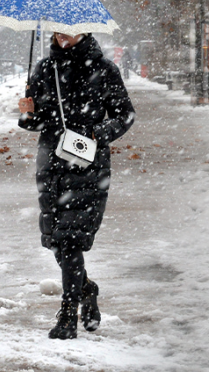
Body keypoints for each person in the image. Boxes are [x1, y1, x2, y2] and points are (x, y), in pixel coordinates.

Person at [18, 31, 135, 339]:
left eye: (68, 29)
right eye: (56, 29)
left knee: (71, 239)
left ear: (84, 30)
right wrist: (28, 114)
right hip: (51, 164)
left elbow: (125, 114)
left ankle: (69, 315)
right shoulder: (44, 69)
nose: (62, 35)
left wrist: (98, 131)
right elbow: (38, 122)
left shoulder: (104, 68)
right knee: (56, 240)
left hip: (87, 162)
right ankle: (87, 289)